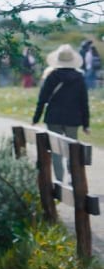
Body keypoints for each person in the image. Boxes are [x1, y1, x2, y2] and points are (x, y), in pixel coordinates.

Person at [32, 43, 89, 181]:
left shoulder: (52, 76)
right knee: (71, 149)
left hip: (54, 117)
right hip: (73, 119)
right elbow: (84, 102)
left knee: (56, 150)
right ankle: (73, 179)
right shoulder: (79, 78)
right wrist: (86, 124)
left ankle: (59, 180)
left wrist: (36, 118)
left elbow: (42, 99)